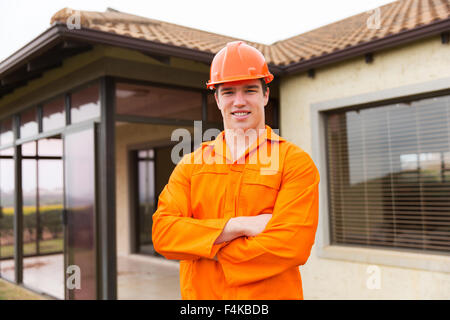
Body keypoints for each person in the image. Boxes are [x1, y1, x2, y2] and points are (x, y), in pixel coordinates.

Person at [152, 41, 320, 300]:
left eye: (250, 90)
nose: (239, 102)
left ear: (265, 95)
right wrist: (240, 225)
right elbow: (164, 234)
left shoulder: (294, 162)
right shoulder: (191, 165)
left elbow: (292, 245)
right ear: (217, 99)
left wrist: (206, 247)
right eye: (229, 92)